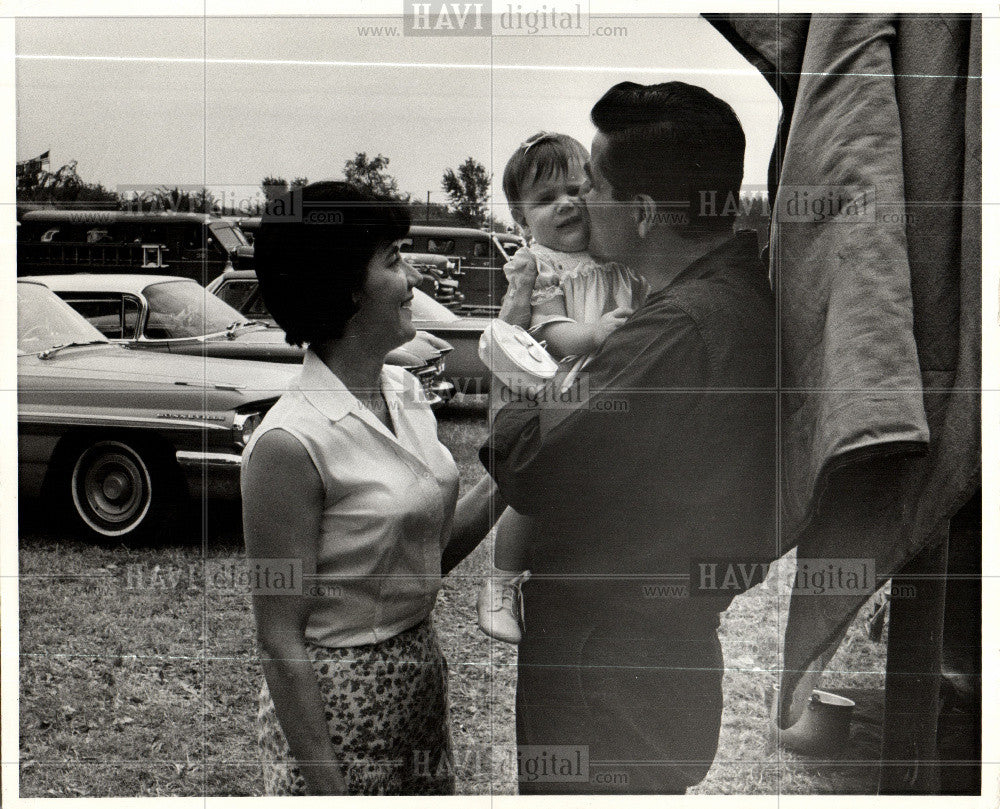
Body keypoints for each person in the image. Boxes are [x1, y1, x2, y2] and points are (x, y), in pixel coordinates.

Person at [482, 81, 777, 793]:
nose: (582, 203)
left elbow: (528, 459)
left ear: (642, 214)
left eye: (596, 186)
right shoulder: (735, 297)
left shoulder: (674, 332)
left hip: (602, 677)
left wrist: (509, 350)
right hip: (653, 662)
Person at [242, 181, 498, 796]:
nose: (412, 281)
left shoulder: (406, 393)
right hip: (338, 717)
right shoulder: (288, 443)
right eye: (393, 260)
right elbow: (280, 638)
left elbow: (426, 557)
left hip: (417, 685)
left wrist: (513, 472)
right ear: (347, 287)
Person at [477, 131, 648, 643]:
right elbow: (548, 328)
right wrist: (593, 334)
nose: (567, 204)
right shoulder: (543, 267)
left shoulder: (613, 254)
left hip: (615, 376)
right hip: (564, 375)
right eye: (546, 199)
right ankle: (499, 583)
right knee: (535, 493)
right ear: (521, 221)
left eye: (577, 189)